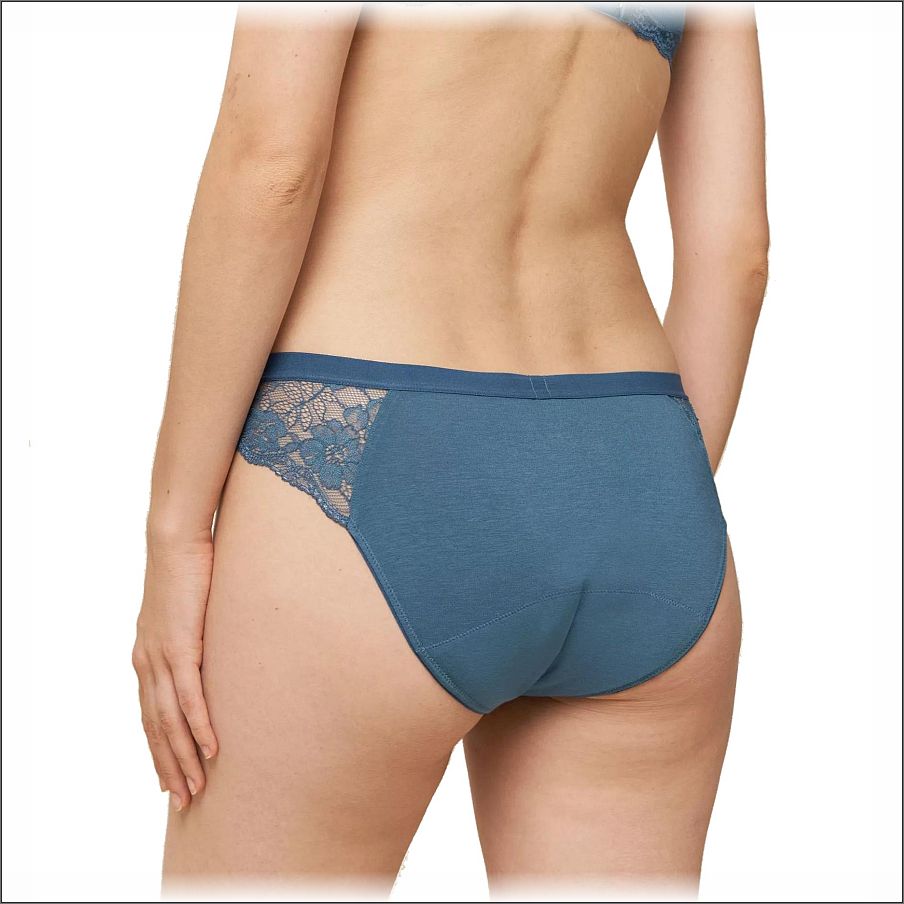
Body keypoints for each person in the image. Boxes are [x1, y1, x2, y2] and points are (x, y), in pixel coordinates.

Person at [133, 1, 768, 898]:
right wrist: (637, 503)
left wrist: (175, 528)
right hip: (636, 467)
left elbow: (272, 164)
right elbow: (736, 256)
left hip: (380, 433)